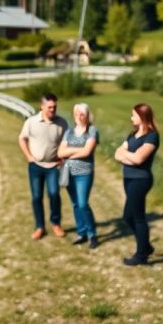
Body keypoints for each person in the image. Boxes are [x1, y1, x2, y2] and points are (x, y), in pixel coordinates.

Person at [113, 103, 159, 266]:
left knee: (138, 217)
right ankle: (145, 246)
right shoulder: (132, 135)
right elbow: (117, 154)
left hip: (140, 180)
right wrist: (129, 156)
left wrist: (127, 155)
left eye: (133, 114)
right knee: (128, 216)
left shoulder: (151, 136)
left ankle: (141, 255)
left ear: (142, 116)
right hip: (129, 178)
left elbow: (139, 159)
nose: (131, 117)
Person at [18, 92, 69, 240]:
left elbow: (66, 143)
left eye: (55, 107)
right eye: (50, 107)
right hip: (35, 167)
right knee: (36, 197)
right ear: (42, 106)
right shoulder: (31, 122)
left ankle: (56, 223)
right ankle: (39, 227)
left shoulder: (62, 123)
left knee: (54, 194)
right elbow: (22, 139)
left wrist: (63, 157)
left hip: (53, 166)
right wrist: (29, 157)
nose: (53, 110)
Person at [57, 102, 100, 248]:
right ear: (74, 115)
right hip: (69, 173)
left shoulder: (92, 130)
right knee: (75, 204)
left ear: (87, 115)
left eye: (82, 114)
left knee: (83, 203)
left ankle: (92, 234)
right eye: (77, 114)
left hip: (84, 173)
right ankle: (81, 233)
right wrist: (78, 150)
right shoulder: (68, 132)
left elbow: (87, 152)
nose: (79, 117)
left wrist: (70, 151)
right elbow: (60, 153)